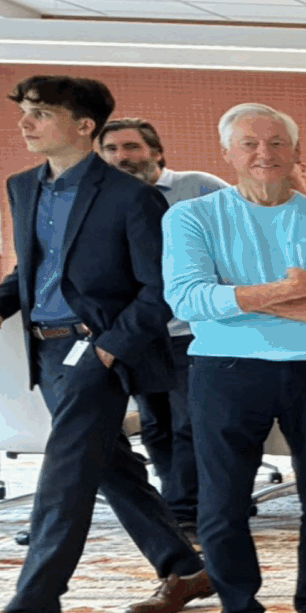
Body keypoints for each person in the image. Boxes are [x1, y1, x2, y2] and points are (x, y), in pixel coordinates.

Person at [0, 76, 212, 613]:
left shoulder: (132, 197)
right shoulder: (24, 187)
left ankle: (35, 607)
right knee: (106, 464)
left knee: (65, 471)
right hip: (47, 350)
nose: (26, 123)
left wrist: (108, 349)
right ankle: (185, 568)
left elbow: (159, 289)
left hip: (99, 350)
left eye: (40, 113)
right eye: (25, 112)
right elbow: (34, 271)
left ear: (85, 126)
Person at [162, 103, 306, 613]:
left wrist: (242, 297)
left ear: (296, 153)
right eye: (249, 144)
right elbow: (189, 299)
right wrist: (293, 291)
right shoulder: (192, 218)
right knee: (222, 501)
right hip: (224, 369)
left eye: (275, 143)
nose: (263, 154)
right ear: (227, 154)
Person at [102, 117, 230, 531]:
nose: (122, 157)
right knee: (156, 425)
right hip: (141, 330)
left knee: (190, 424)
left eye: (132, 147)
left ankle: (185, 511)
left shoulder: (199, 186)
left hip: (191, 327)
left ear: (156, 152)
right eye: (112, 150)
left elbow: (243, 233)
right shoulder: (106, 199)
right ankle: (178, 502)